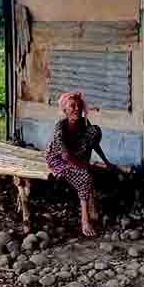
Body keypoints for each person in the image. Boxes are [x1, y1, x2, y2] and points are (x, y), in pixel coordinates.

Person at [46, 92, 117, 236]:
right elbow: (65, 156)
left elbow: (94, 144)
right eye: (72, 106)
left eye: (79, 106)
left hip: (76, 155)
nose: (76, 109)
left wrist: (106, 161)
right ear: (65, 110)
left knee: (94, 131)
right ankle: (85, 220)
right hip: (58, 158)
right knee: (85, 177)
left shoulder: (84, 122)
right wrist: (83, 167)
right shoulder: (60, 126)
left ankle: (87, 168)